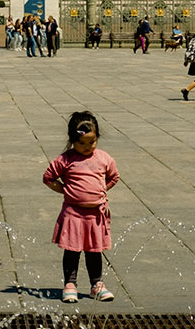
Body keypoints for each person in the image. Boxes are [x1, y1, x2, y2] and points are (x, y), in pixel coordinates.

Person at [42, 110, 120, 303]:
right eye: (81, 143)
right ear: (72, 140)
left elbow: (114, 176)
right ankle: (70, 284)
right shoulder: (66, 160)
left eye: (91, 142)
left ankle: (96, 284)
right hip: (73, 214)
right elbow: (48, 178)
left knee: (94, 250)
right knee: (72, 250)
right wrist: (66, 191)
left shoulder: (103, 158)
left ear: (97, 139)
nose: (86, 147)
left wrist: (103, 190)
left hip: (96, 213)